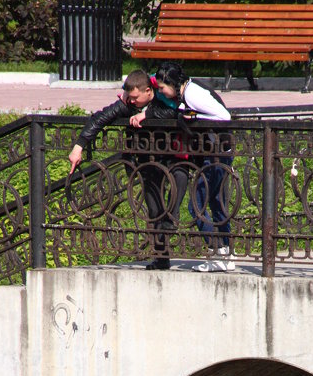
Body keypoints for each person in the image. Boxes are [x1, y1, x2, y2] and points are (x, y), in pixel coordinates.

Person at [68, 69, 185, 270]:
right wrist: (78, 146)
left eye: (135, 98)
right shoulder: (128, 104)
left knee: (179, 179)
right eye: (129, 97)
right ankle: (161, 257)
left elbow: (175, 111)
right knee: (154, 210)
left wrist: (146, 114)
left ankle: (172, 218)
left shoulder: (163, 98)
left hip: (172, 158)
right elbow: (99, 118)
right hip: (145, 163)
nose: (131, 102)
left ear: (149, 91)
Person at [130, 61, 235, 273]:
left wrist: (195, 117)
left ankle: (219, 253)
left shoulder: (192, 94)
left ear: (171, 83)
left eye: (162, 88)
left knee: (196, 205)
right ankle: (225, 255)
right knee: (215, 203)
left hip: (217, 151)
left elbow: (225, 117)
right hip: (217, 150)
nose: (161, 91)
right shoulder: (185, 92)